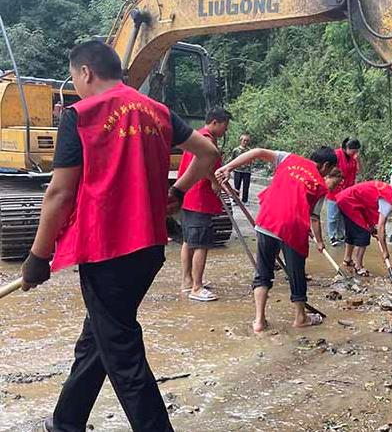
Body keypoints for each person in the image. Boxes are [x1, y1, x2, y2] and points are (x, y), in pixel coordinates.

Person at [19, 40, 219, 432]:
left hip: (107, 250)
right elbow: (207, 153)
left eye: (74, 78)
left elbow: (59, 193)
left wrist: (38, 257)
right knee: (99, 336)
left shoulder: (81, 115)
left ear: (85, 73)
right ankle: (66, 421)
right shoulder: (157, 111)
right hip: (148, 247)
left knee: (122, 353)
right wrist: (177, 191)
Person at [216, 147, 342, 332]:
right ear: (325, 165)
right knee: (296, 274)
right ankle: (300, 317)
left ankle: (259, 321)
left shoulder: (288, 159)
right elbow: (313, 217)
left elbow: (257, 151)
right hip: (292, 228)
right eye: (328, 171)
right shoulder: (320, 185)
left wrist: (228, 167)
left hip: (267, 221)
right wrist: (317, 238)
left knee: (263, 271)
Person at [177, 106, 230, 302]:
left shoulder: (196, 137)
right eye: (225, 125)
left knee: (189, 241)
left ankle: (187, 282)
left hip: (188, 196)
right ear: (215, 122)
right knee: (201, 244)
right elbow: (205, 165)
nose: (226, 130)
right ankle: (197, 287)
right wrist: (215, 182)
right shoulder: (207, 139)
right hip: (199, 198)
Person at [335, 180, 392, 276]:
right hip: (349, 200)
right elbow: (381, 227)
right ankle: (358, 266)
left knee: (351, 231)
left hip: (346, 198)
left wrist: (372, 228)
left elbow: (368, 205)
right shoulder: (388, 202)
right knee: (363, 234)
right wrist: (385, 251)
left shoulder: (391, 193)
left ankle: (347, 259)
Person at [326, 137, 361, 247]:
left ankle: (341, 235)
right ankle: (332, 236)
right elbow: (328, 169)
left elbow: (358, 171)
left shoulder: (354, 158)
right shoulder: (336, 155)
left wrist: (357, 159)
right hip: (335, 189)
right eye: (353, 151)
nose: (355, 153)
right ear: (347, 148)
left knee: (343, 214)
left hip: (347, 190)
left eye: (356, 151)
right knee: (333, 215)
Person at [229, 133, 252, 203]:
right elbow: (232, 159)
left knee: (246, 186)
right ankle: (235, 200)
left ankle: (245, 200)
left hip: (247, 171)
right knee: (236, 186)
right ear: (240, 140)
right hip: (237, 170)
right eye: (244, 140)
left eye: (247, 141)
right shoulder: (235, 150)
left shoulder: (250, 151)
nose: (245, 142)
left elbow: (251, 160)